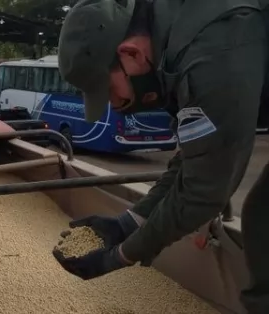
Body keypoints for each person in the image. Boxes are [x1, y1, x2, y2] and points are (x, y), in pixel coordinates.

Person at [52, 0, 269, 312]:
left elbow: (201, 193)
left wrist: (120, 255)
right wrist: (126, 223)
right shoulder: (171, 35)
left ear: (130, 54)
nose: (115, 105)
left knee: (263, 219)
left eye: (110, 92)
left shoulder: (211, 54)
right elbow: (192, 162)